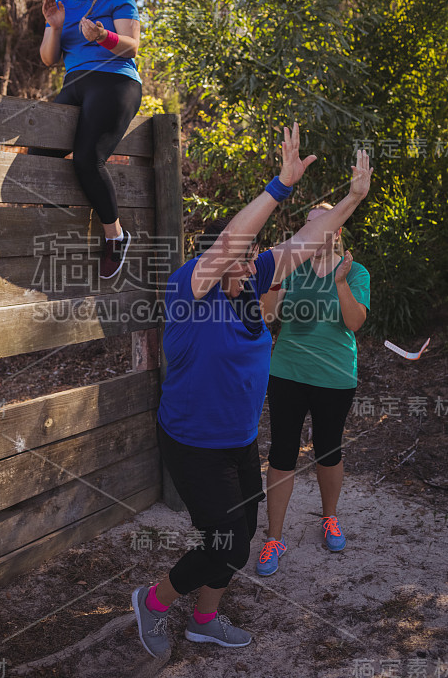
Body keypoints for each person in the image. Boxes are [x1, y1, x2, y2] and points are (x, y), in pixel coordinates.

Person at [131, 125, 372, 658]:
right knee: (229, 543)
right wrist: (279, 187)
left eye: (252, 255)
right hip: (193, 443)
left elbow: (307, 241)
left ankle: (203, 619)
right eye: (237, 254)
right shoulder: (190, 288)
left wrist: (353, 198)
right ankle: (151, 601)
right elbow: (227, 246)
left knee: (235, 545)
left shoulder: (256, 280)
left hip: (237, 441)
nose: (245, 262)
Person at [256, 202, 370, 578]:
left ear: (337, 231)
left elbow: (354, 323)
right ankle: (274, 538)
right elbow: (268, 317)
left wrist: (339, 283)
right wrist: (273, 278)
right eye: (306, 225)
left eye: (320, 224)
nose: (311, 232)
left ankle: (330, 517)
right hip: (287, 371)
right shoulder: (291, 269)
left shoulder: (356, 272)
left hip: (335, 377)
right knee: (283, 451)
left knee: (328, 449)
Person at [32, 0, 141, 280]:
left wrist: (101, 36)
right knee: (37, 154)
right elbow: (48, 59)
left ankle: (116, 237)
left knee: (87, 159)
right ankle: (66, 220)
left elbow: (132, 46)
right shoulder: (62, 4)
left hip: (114, 80)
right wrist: (55, 25)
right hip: (75, 84)